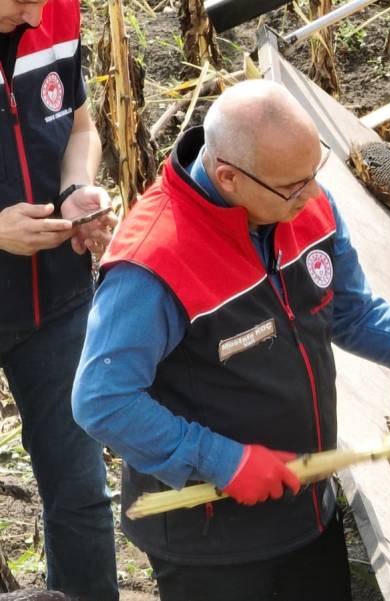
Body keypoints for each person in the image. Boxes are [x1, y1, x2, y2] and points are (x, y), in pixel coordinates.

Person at [72, 80, 390, 600]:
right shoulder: (153, 263)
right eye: (294, 186)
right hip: (212, 539)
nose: (314, 195)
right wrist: (224, 461)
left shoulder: (302, 204)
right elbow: (102, 401)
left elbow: (355, 316)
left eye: (313, 173)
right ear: (228, 176)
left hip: (306, 509)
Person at [0, 0, 118, 598]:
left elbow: (80, 126)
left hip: (57, 303)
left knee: (80, 494)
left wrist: (77, 190)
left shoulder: (55, 12)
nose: (37, 10)